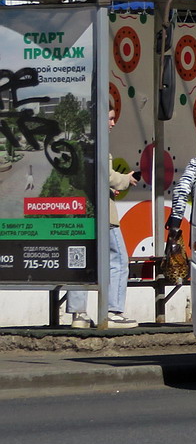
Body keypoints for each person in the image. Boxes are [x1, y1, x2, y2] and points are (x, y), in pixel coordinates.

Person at [67, 107, 139, 329]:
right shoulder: (99, 145)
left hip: (78, 213)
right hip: (101, 215)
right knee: (118, 259)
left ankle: (79, 315)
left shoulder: (75, 146)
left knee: (80, 261)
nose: (113, 122)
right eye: (109, 118)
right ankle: (113, 311)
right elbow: (108, 177)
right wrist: (126, 180)